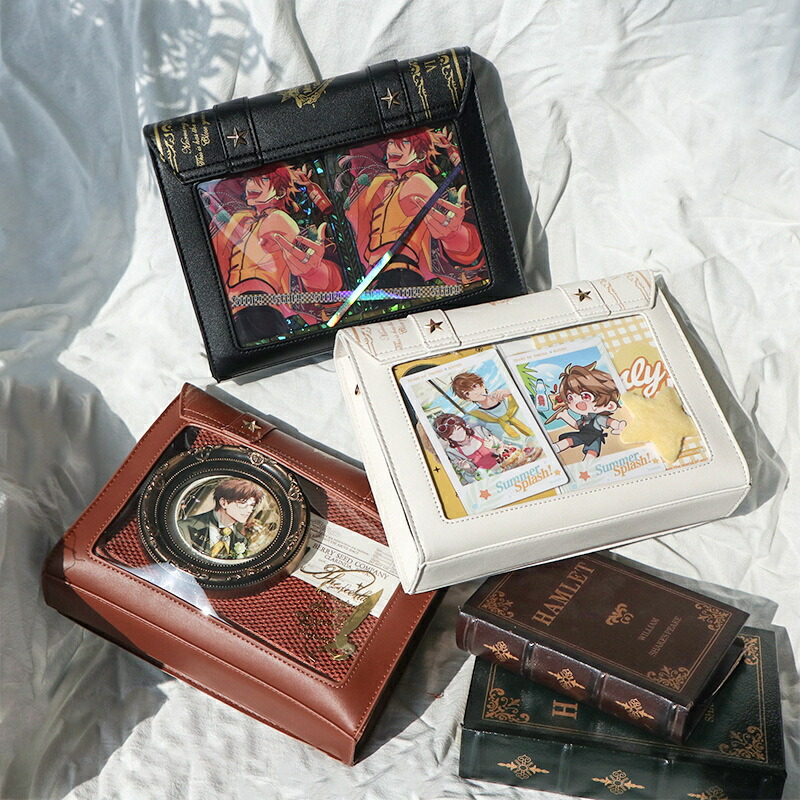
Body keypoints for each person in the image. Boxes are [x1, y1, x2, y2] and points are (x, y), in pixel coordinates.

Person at [206, 164, 343, 341]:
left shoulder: (277, 218)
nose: (252, 185)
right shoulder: (243, 220)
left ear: (280, 192)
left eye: (264, 179)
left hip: (259, 305)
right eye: (249, 180)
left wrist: (312, 272)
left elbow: (300, 261)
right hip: (234, 310)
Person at [342, 128, 485, 288]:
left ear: (421, 155)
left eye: (404, 142)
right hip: (377, 274)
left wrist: (454, 236)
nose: (393, 148)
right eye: (390, 143)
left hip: (401, 272)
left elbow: (444, 220)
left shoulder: (417, 182)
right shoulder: (386, 184)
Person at [550, 362, 627, 462]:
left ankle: (587, 465)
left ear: (609, 405)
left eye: (585, 396)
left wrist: (618, 425)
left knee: (592, 452)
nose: (577, 402)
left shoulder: (598, 418)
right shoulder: (584, 418)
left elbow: (609, 422)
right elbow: (577, 426)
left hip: (594, 437)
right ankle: (555, 448)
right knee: (570, 440)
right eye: (570, 397)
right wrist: (565, 416)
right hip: (582, 434)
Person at [178, 478, 265, 560]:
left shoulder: (242, 541)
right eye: (242, 503)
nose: (249, 510)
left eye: (252, 505)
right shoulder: (185, 527)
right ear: (224, 503)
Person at [450, 372, 533, 439]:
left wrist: (512, 391)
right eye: (467, 393)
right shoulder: (477, 416)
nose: (475, 392)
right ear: (467, 399)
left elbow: (534, 397)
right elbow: (458, 428)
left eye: (474, 386)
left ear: (482, 384)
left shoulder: (510, 398)